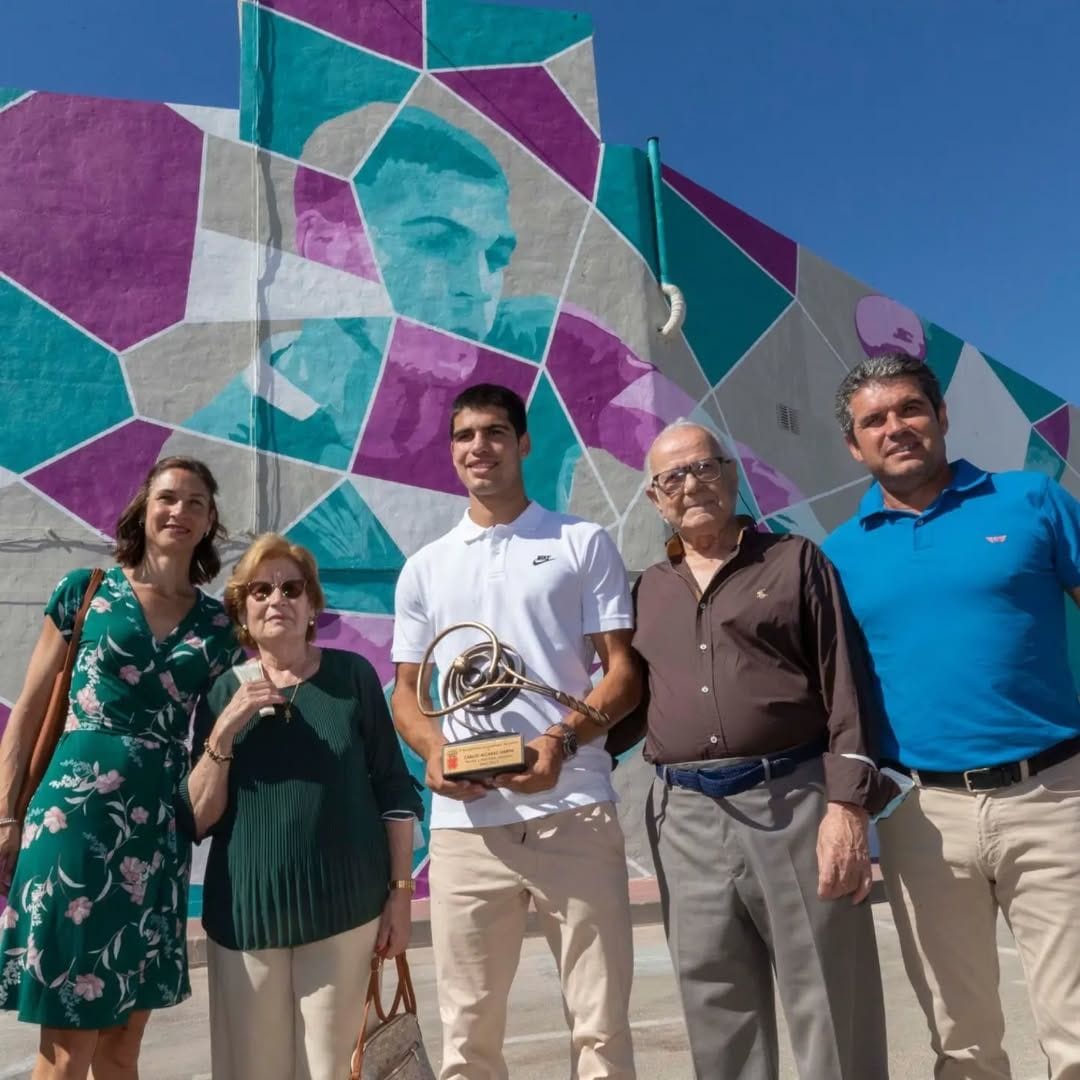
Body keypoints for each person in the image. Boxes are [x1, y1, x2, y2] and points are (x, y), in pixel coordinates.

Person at [823, 353, 1080, 1080]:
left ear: (941, 417)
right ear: (854, 445)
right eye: (874, 420)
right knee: (961, 1044)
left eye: (909, 409)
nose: (895, 427)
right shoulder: (837, 555)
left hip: (1057, 797)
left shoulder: (1032, 500)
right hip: (921, 816)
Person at [390, 383, 641, 1080]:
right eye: (465, 435)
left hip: (574, 810)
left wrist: (557, 742)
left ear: (524, 443)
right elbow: (406, 697)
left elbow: (623, 676)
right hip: (466, 827)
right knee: (467, 1041)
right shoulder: (425, 567)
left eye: (496, 432)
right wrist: (436, 752)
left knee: (601, 1031)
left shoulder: (579, 540)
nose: (480, 447)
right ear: (451, 450)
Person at [630, 420, 894, 1080]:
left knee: (832, 1002)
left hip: (795, 802)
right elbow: (620, 706)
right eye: (673, 477)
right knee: (715, 1006)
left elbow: (847, 689)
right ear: (654, 499)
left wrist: (848, 810)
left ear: (732, 472)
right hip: (683, 816)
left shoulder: (795, 560)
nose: (691, 484)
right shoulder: (644, 592)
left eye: (705, 467)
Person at [0, 456, 241, 1079]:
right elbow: (26, 709)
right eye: (168, 498)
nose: (179, 511)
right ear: (144, 508)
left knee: (123, 1045)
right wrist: (4, 812)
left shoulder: (219, 628)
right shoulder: (87, 591)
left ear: (210, 521)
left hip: (153, 837)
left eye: (195, 503)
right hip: (70, 826)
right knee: (64, 1046)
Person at [180, 533, 423, 1080]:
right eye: (261, 590)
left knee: (335, 1069)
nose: (277, 599)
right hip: (246, 918)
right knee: (254, 1071)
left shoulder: (352, 677)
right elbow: (198, 816)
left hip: (346, 910)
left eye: (292, 587)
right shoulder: (222, 692)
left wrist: (400, 895)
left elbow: (393, 786)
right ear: (243, 608)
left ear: (312, 604)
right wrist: (223, 732)